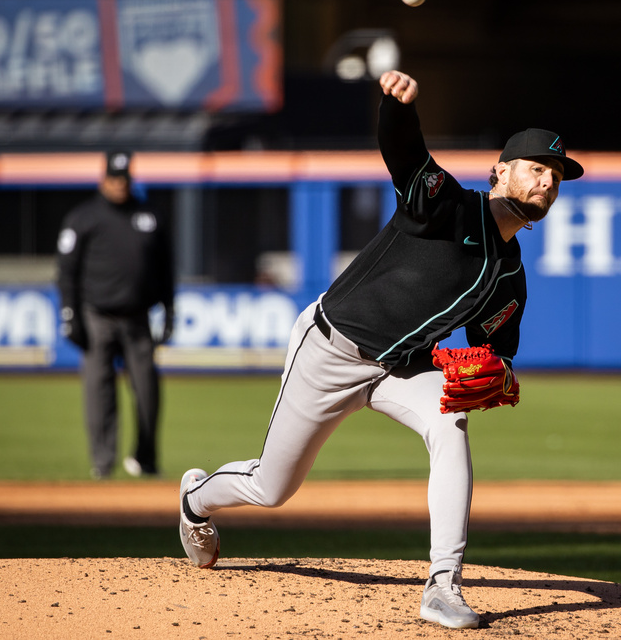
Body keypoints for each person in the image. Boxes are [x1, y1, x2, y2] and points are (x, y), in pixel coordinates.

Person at [177, 70, 583, 629]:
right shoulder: (448, 208)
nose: (547, 182)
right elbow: (405, 154)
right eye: (537, 168)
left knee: (451, 423)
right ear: (501, 170)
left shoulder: (510, 278)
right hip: (330, 348)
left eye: (556, 176)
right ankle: (196, 498)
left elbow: (494, 351)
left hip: (399, 368)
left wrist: (500, 372)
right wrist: (397, 107)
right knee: (273, 487)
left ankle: (443, 585)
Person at [56, 150, 175, 480]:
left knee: (148, 392)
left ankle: (146, 459)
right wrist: (70, 315)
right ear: (103, 180)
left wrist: (169, 309)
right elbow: (67, 271)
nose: (119, 184)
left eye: (124, 178)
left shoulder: (149, 215)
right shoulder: (84, 217)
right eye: (114, 178)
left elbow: (166, 268)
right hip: (97, 317)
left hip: (138, 317)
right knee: (99, 393)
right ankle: (102, 464)